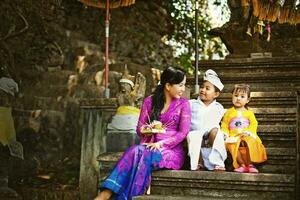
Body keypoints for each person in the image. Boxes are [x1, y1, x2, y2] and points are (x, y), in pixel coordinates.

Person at [94, 66, 191, 200]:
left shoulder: (184, 104)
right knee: (136, 150)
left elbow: (183, 132)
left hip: (171, 151)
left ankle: (108, 195)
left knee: (139, 152)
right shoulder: (149, 101)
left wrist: (161, 144)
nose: (183, 89)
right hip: (147, 146)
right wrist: (148, 129)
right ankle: (109, 194)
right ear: (168, 85)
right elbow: (139, 129)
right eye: (180, 85)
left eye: (184, 85)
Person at [221, 84, 267, 173]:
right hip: (234, 135)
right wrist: (225, 133)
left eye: (242, 96)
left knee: (249, 142)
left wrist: (249, 132)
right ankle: (241, 164)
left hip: (246, 135)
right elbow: (225, 124)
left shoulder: (249, 113)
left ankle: (250, 164)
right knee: (232, 144)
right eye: (236, 95)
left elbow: (254, 124)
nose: (238, 98)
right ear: (232, 97)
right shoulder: (229, 113)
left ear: (248, 100)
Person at [187, 69, 227, 171]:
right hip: (196, 135)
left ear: (216, 94)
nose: (203, 90)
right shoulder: (191, 104)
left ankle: (218, 163)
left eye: (207, 88)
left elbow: (225, 122)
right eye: (202, 87)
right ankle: (198, 163)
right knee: (192, 136)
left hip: (211, 137)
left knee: (216, 132)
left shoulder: (219, 107)